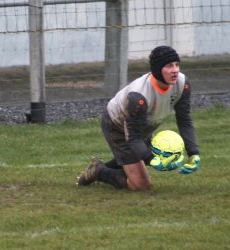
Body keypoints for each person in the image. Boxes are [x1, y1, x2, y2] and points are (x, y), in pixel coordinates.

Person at [77, 45, 201, 191]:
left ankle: (107, 166)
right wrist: (151, 159)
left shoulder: (182, 84)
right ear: (157, 69)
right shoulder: (139, 96)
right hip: (117, 126)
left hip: (142, 127)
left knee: (142, 155)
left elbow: (184, 119)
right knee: (141, 184)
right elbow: (133, 137)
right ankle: (99, 171)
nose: (175, 70)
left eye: (177, 64)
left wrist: (194, 153)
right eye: (169, 66)